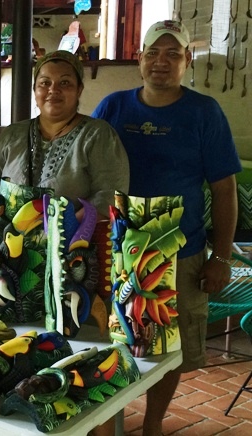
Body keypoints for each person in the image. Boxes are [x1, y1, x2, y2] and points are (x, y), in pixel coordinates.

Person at [92, 20, 241, 436]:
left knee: (170, 349)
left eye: (172, 54)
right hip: (119, 251)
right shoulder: (113, 107)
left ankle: (153, 424)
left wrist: (222, 257)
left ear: (186, 61)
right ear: (139, 59)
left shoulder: (203, 112)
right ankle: (106, 421)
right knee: (112, 340)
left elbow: (224, 189)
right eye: (153, 53)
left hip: (181, 252)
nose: (161, 62)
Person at [0, 50, 129, 220]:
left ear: (79, 90)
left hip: (75, 243)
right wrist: (0, 229)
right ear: (35, 90)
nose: (53, 90)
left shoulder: (98, 135)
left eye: (65, 83)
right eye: (44, 83)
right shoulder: (13, 134)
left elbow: (109, 196)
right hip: (9, 241)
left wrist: (60, 233)